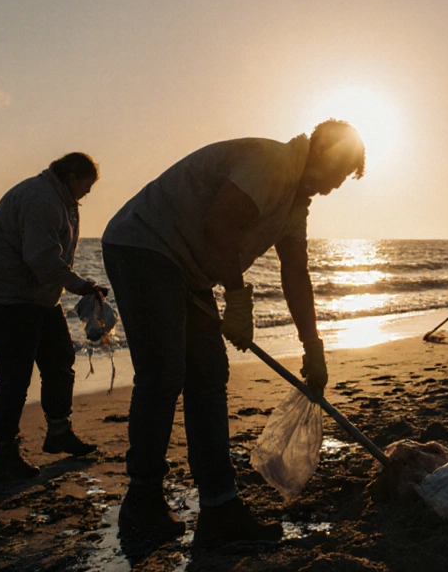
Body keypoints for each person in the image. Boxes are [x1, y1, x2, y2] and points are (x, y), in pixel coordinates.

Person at [101, 120, 365, 548]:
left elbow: (296, 273)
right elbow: (220, 224)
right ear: (324, 150)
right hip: (144, 246)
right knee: (165, 374)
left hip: (187, 266)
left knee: (208, 377)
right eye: (338, 172)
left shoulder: (296, 202)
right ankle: (142, 501)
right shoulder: (272, 162)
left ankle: (220, 508)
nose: (334, 186)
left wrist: (313, 347)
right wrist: (238, 301)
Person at [0, 152, 105, 483]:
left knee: (60, 360)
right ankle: (4, 454)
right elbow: (41, 256)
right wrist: (79, 286)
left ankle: (59, 431)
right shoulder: (41, 197)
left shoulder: (61, 200)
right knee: (14, 375)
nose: (87, 194)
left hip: (39, 295)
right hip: (7, 295)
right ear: (72, 175)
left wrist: (71, 286)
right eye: (86, 186)